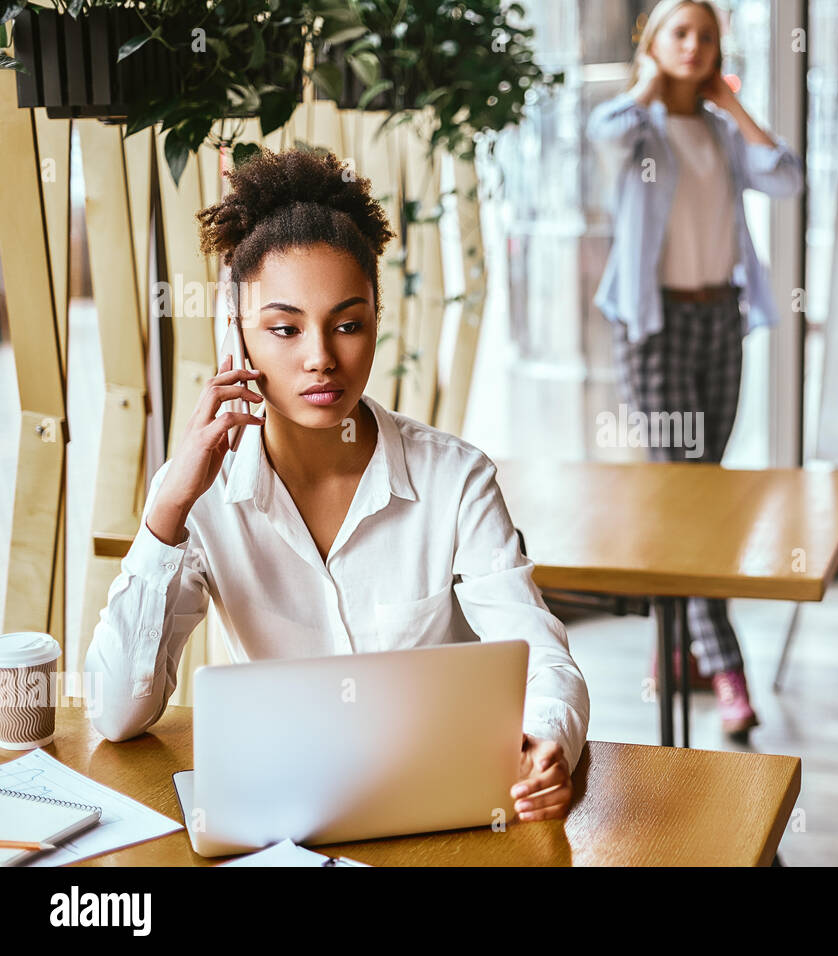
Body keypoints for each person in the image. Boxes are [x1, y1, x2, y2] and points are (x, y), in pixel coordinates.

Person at [83, 148, 590, 822]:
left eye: (347, 325)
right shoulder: (201, 500)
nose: (320, 356)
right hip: (285, 824)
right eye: (284, 329)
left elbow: (540, 656)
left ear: (376, 321)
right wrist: (169, 508)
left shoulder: (455, 480)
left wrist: (545, 741)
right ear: (236, 338)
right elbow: (119, 713)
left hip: (439, 814)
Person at [586, 0, 803, 741]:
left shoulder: (716, 129)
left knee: (702, 493)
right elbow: (602, 132)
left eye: (707, 36)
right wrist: (648, 82)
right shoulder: (637, 124)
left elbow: (786, 178)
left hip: (721, 320)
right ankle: (728, 671)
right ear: (654, 42)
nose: (696, 45)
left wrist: (734, 106)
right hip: (655, 326)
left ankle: (672, 648)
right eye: (681, 32)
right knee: (684, 495)